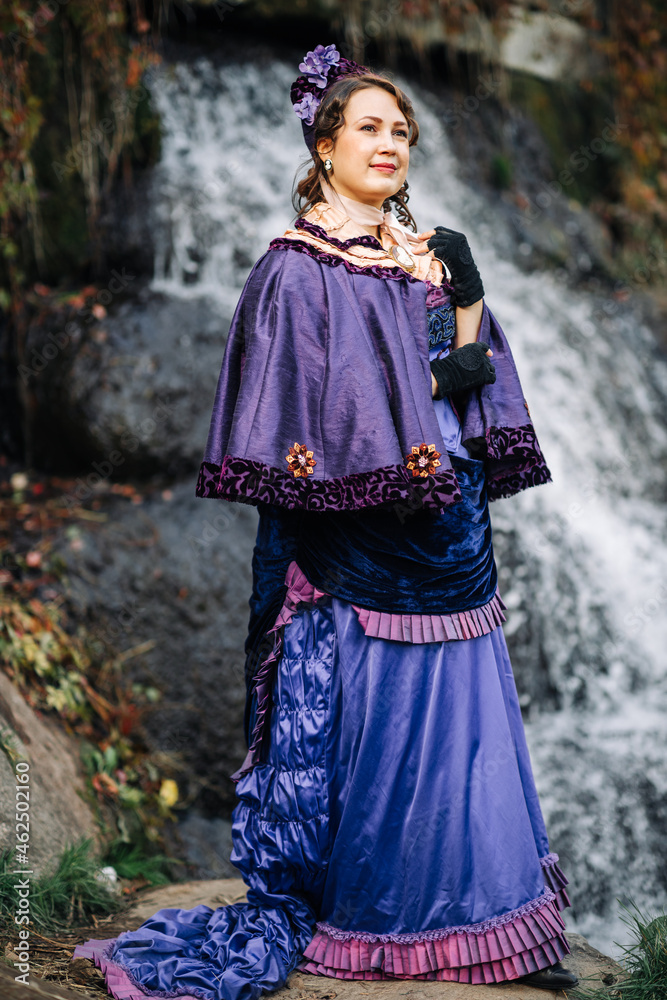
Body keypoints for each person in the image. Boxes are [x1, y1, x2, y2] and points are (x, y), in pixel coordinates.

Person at [74, 43, 578, 1000]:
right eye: (369, 127)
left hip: (450, 522)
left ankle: (492, 926)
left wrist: (466, 311)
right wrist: (438, 369)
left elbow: (470, 379)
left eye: (401, 131)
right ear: (324, 142)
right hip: (358, 534)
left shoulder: (428, 256)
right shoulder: (294, 270)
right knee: (381, 727)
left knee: (468, 725)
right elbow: (325, 407)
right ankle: (382, 924)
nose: (389, 144)